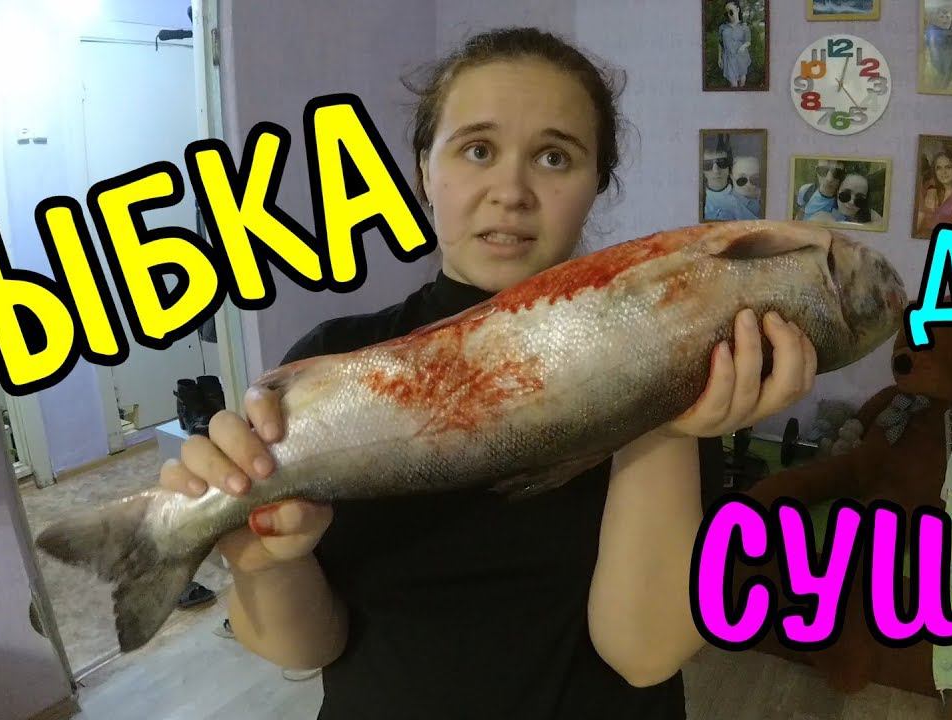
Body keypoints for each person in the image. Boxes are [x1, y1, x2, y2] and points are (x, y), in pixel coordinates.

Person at [159, 27, 816, 719]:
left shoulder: (678, 369)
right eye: (477, 150)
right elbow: (306, 647)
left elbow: (644, 653)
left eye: (554, 157)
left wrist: (664, 425)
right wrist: (265, 560)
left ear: (597, 184)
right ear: (423, 170)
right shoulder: (334, 363)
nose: (511, 191)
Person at [915, 148, 952, 238]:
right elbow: (916, 222)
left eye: (948, 167)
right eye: (939, 168)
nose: (943, 172)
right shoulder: (926, 189)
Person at [699, 134, 733, 220]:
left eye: (722, 162)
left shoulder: (746, 196)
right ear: (702, 170)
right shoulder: (696, 201)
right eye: (707, 164)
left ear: (729, 166)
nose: (716, 170)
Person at [718, 1, 752, 88]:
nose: (729, 15)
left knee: (742, 82)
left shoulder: (744, 27)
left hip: (741, 57)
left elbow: (748, 41)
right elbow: (720, 43)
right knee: (733, 85)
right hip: (729, 58)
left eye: (731, 12)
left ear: (737, 9)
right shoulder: (723, 27)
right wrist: (719, 58)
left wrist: (743, 46)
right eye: (726, 13)